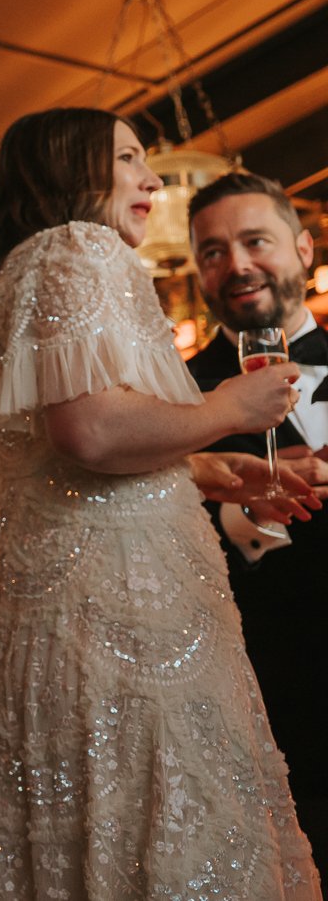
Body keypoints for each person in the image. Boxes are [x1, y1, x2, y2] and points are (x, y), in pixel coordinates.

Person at [0, 107, 320, 898]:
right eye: (127, 158)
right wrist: (229, 409)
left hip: (63, 618)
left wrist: (215, 471)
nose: (152, 179)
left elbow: (55, 461)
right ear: (69, 171)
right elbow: (89, 430)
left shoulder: (18, 272)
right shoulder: (78, 248)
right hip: (127, 625)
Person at [185, 170, 328, 866]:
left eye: (254, 241)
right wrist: (246, 506)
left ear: (303, 249)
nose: (236, 264)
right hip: (275, 701)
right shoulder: (175, 393)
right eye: (213, 251)